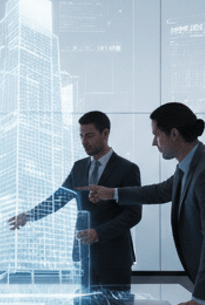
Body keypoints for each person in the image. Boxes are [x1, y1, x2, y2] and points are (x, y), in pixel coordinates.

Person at [85, 101, 205, 305]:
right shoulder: (190, 163)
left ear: (175, 134)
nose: (153, 142)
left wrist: (200, 296)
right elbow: (161, 191)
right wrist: (112, 193)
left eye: (157, 136)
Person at [8, 111, 141, 288]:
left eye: (89, 136)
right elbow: (58, 198)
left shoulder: (127, 169)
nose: (84, 142)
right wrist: (28, 216)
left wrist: (98, 233)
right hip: (84, 256)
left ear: (105, 134)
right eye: (81, 136)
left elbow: (133, 214)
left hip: (115, 257)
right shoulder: (79, 167)